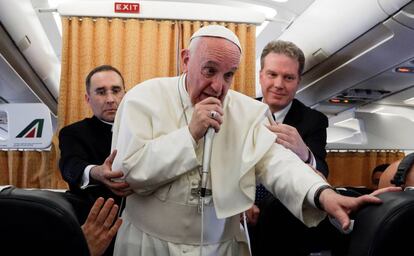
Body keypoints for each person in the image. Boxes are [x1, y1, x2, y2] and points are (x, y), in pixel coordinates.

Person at [111, 25, 385, 256]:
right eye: (209, 70)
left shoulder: (248, 113)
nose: (218, 87)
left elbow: (279, 164)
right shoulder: (142, 98)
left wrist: (323, 194)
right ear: (186, 60)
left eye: (229, 75)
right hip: (148, 244)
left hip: (221, 247)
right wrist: (189, 134)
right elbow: (130, 173)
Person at [248, 40, 331, 255]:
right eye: (272, 74)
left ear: (298, 81)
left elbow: (321, 171)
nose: (278, 84)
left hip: (286, 229)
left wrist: (304, 153)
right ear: (260, 75)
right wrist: (238, 202)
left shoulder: (314, 120)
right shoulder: (240, 112)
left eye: (288, 77)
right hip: (240, 224)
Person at [58, 65, 132, 255]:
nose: (110, 99)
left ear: (125, 94)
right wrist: (95, 172)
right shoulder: (73, 133)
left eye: (116, 90)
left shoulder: (146, 130)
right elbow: (70, 166)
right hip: (98, 233)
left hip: (142, 231)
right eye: (100, 92)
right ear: (87, 99)